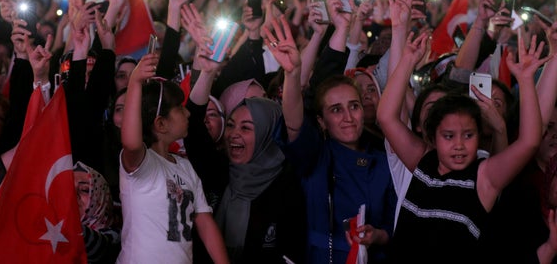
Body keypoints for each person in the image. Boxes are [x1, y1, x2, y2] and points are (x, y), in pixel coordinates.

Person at [377, 30, 548, 263]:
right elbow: (386, 117)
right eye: (448, 136)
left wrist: (526, 80)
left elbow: (529, 142)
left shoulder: (484, 177)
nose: (459, 145)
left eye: (468, 135)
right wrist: (407, 60)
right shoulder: (423, 161)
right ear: (433, 136)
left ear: (478, 136)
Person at [266, 15, 396, 263]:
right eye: (336, 110)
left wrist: (376, 235)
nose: (348, 117)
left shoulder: (384, 159)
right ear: (322, 121)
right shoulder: (316, 155)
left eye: (354, 106)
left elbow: (393, 225)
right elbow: (294, 124)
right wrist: (292, 76)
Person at [118, 53, 229, 263]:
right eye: (179, 108)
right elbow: (131, 142)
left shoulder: (185, 167)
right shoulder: (141, 165)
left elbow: (204, 223)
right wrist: (135, 82)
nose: (187, 114)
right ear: (160, 124)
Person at [215, 97, 307, 263]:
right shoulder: (217, 174)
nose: (234, 134)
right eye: (230, 125)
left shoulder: (288, 186)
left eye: (245, 128)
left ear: (268, 133)